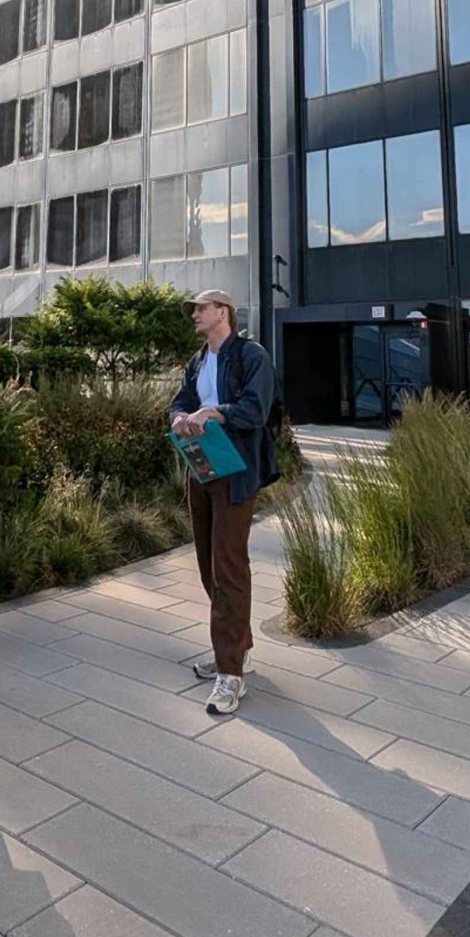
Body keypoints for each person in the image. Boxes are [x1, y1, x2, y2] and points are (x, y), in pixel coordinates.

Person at [169, 289, 279, 716]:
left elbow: (256, 410)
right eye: (194, 310)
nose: (194, 315)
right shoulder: (198, 361)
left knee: (229, 567)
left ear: (223, 312)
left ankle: (230, 675)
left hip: (236, 473)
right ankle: (237, 647)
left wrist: (214, 413)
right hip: (202, 468)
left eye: (201, 308)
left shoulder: (251, 356)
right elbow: (180, 400)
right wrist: (179, 417)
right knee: (206, 562)